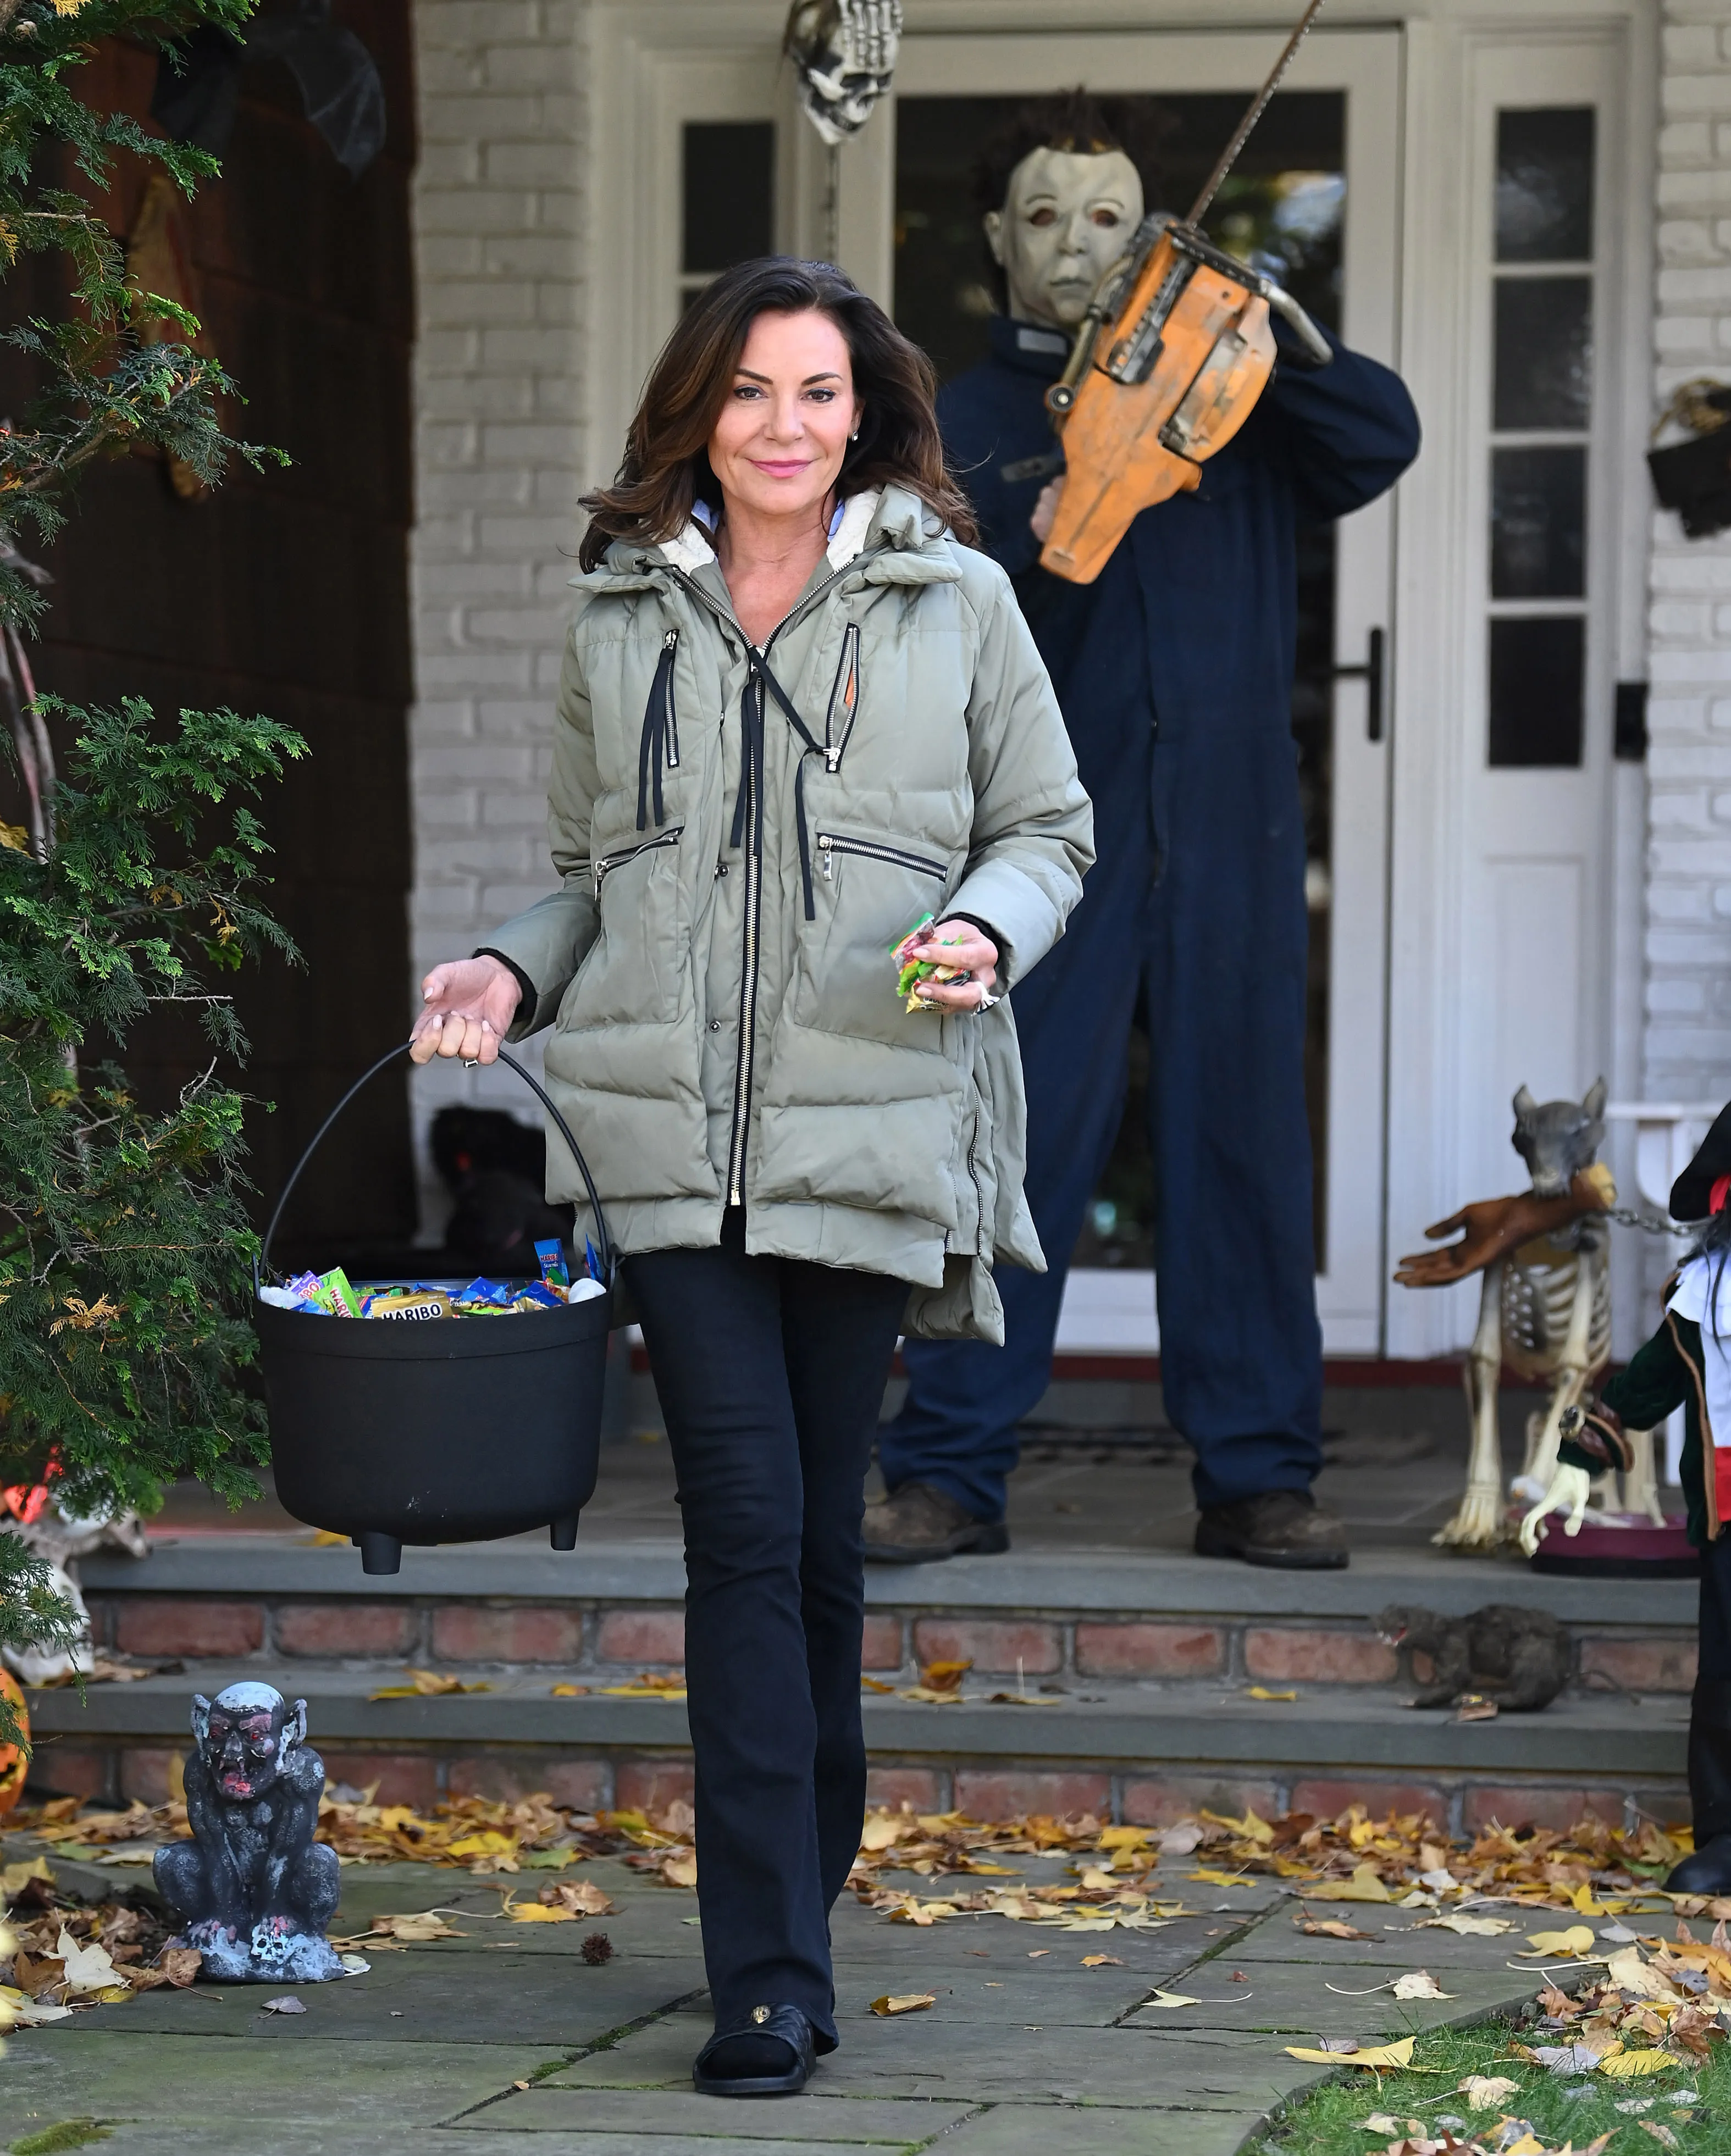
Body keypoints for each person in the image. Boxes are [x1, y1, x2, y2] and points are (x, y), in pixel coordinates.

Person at [410, 256, 1092, 2096]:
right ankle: (767, 1973)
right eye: (745, 393)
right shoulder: (615, 616)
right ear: (694, 413)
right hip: (662, 1146)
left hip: (872, 1117)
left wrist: (978, 924)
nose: (780, 426)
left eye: (812, 392)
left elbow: (1045, 828)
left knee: (811, 1543)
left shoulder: (958, 602)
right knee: (739, 1522)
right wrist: (504, 968)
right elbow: (585, 876)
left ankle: (798, 1869)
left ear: (859, 409)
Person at [869, 93, 1422, 1569]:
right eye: (1043, 216)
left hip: (1230, 819)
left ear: (1144, 232)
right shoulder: (956, 425)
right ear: (994, 238)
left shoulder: (1223, 400)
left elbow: (1381, 434)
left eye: (1105, 216)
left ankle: (1255, 1478)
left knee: (1239, 1133)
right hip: (1042, 839)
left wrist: (1252, 315)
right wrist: (1039, 532)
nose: (1074, 243)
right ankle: (950, 1469)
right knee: (1017, 1133)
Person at [1522, 1104, 1731, 1893]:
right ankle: (1726, 1832)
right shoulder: (1703, 1297)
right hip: (1729, 1508)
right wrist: (1577, 1461)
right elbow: (1644, 1386)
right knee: (1727, 1677)